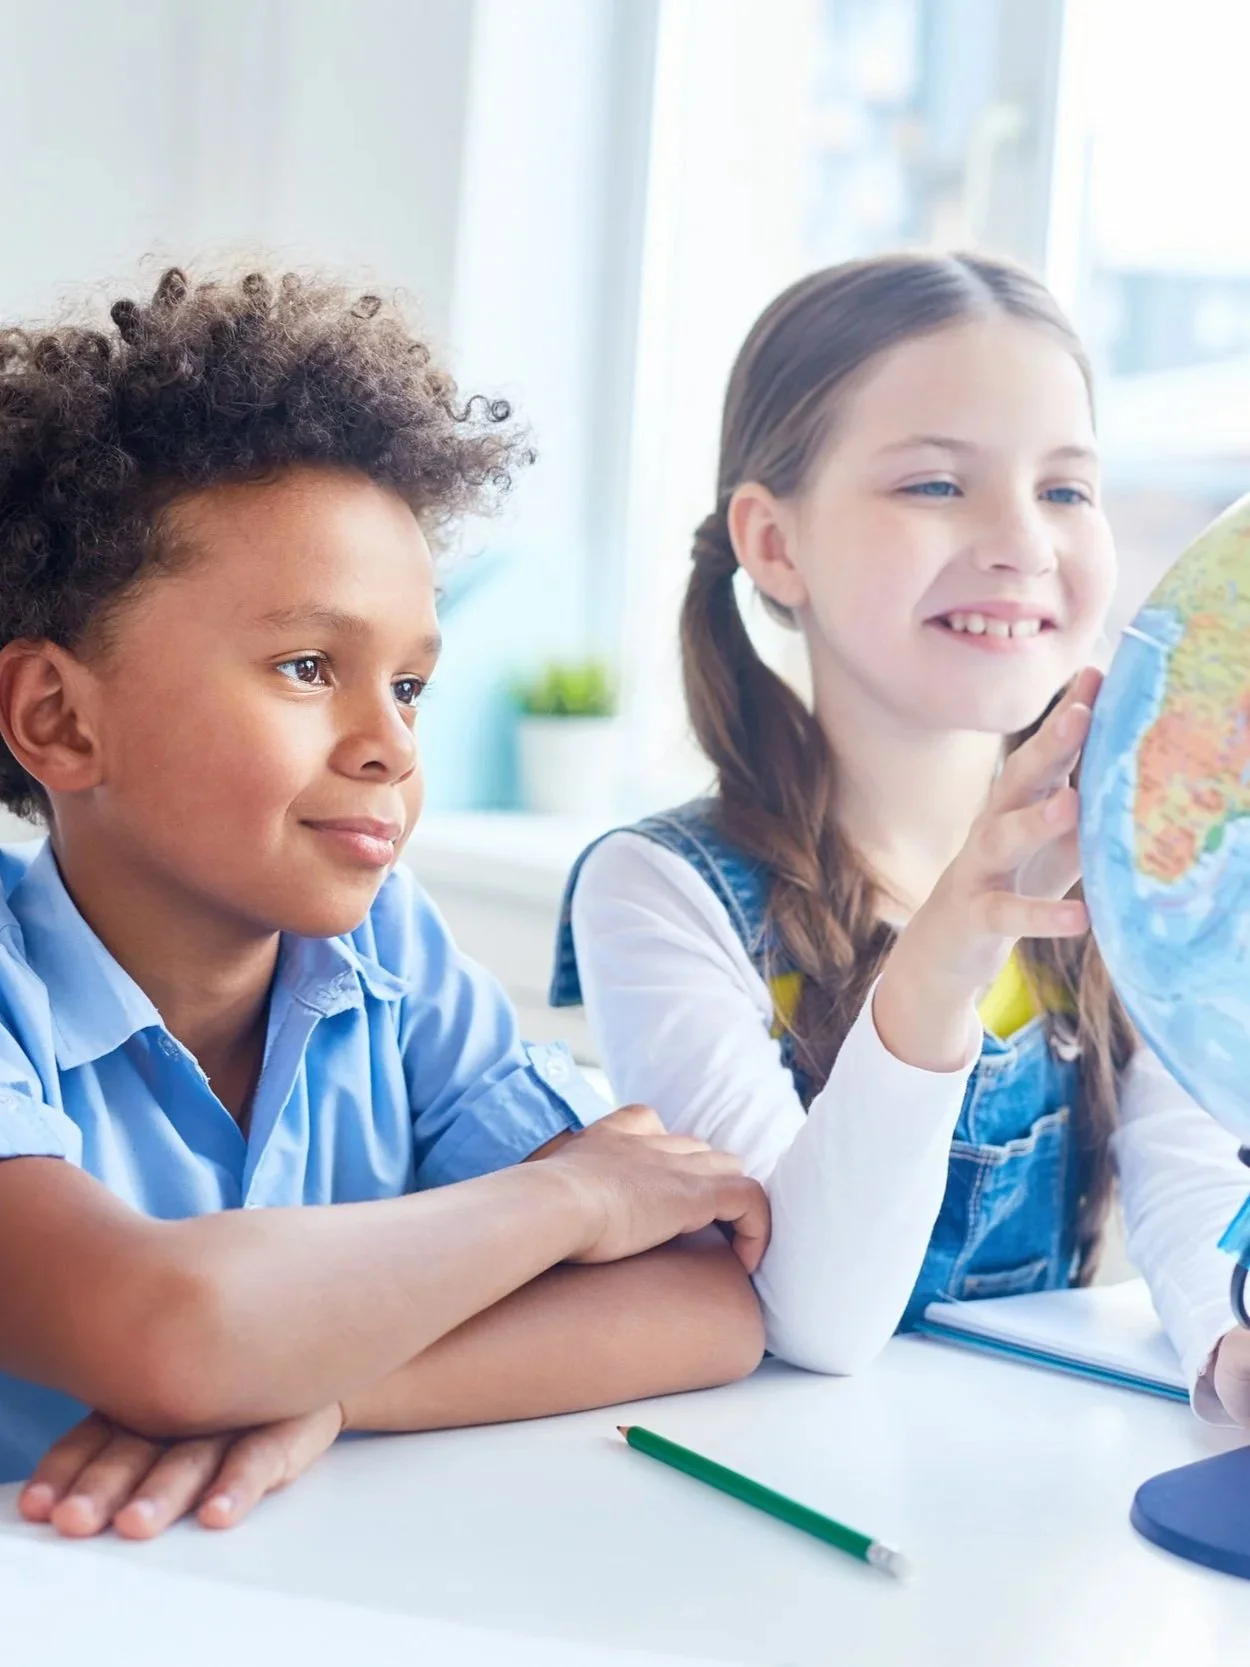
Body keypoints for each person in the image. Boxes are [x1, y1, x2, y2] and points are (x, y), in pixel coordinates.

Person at [0, 266, 769, 1539]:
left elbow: (702, 1297)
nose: (391, 746)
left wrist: (336, 1393)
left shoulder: (382, 952)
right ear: (58, 716)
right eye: (310, 667)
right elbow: (171, 1331)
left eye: (409, 684)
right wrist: (570, 1194)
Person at [554, 251, 1250, 1425]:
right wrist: (948, 944)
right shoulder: (658, 891)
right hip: (775, 1507)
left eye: (1065, 490)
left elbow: (1183, 1178)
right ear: (774, 545)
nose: (1021, 541)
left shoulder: (1131, 871)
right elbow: (810, 1315)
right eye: (935, 485)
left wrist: (1225, 1345)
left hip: (1011, 1511)